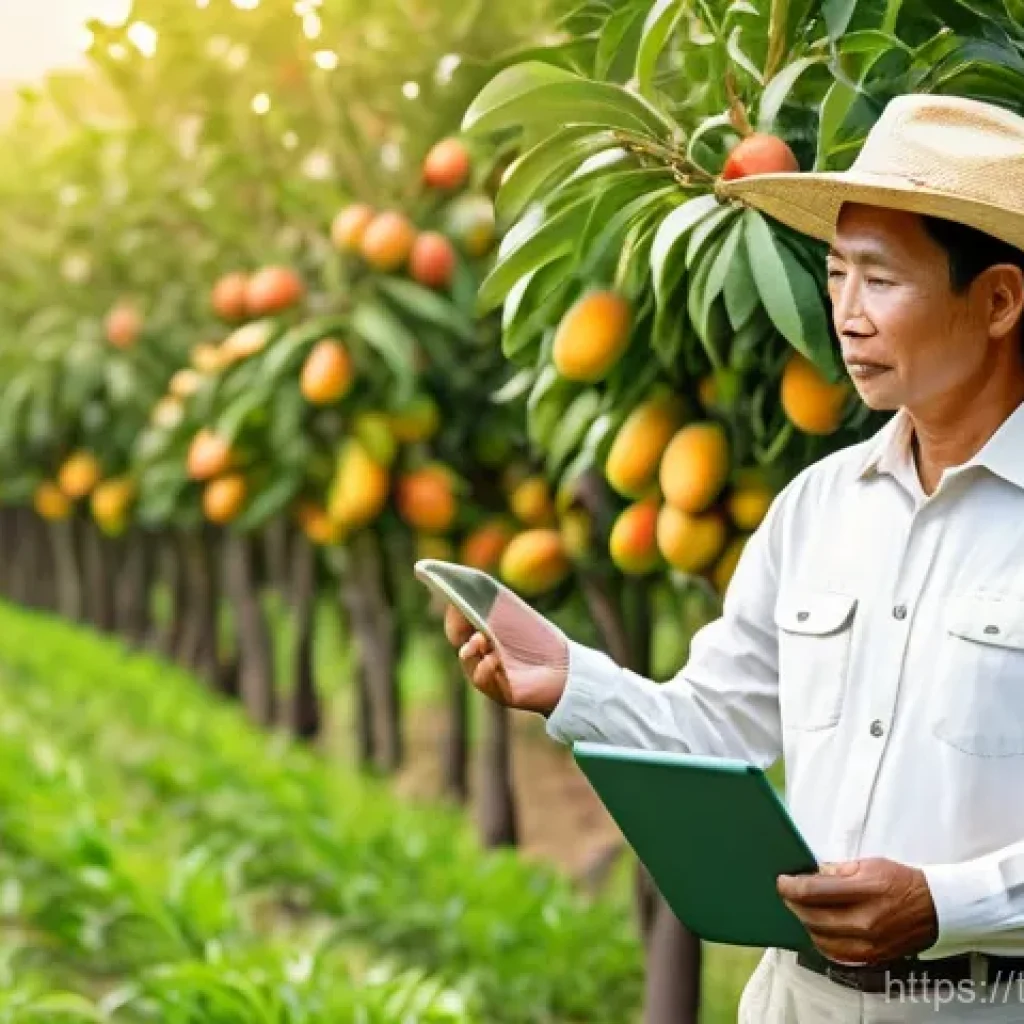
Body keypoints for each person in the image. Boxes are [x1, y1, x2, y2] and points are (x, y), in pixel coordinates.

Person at [442, 93, 1024, 1021]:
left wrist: (947, 904)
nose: (845, 315)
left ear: (997, 300)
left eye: (880, 280)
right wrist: (569, 681)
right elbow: (718, 728)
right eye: (834, 276)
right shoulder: (817, 509)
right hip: (795, 999)